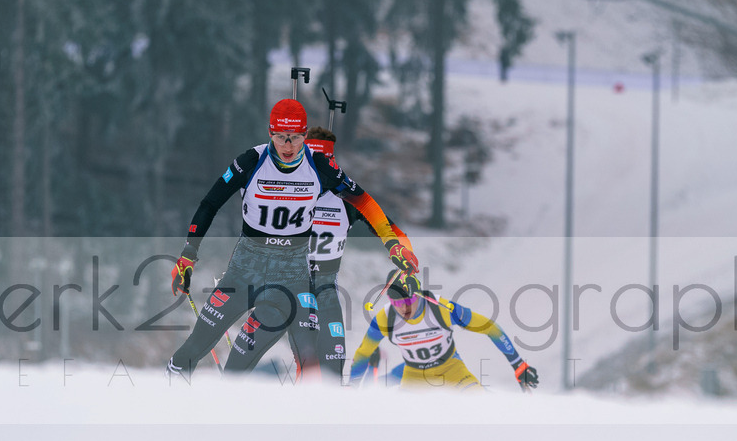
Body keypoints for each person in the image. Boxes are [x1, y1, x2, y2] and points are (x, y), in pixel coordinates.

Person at [166, 99, 419, 381]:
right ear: (270, 133)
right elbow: (209, 203)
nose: (288, 146)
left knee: (314, 365)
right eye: (281, 137)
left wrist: (392, 243)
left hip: (292, 274)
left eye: (296, 137)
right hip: (246, 267)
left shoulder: (319, 166)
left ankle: (307, 418)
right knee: (197, 346)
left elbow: (365, 202)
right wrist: (189, 254)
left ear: (304, 135)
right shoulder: (251, 161)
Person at [222, 125, 412, 379]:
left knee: (330, 373)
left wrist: (404, 251)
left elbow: (391, 229)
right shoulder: (282, 191)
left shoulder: (345, 199)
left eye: (326, 162)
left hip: (323, 294)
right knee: (238, 363)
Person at [349, 271, 540, 391]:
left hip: (452, 371)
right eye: (397, 303)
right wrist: (352, 388)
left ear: (419, 296)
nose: (404, 308)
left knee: (484, 409)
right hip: (414, 376)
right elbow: (363, 352)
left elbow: (489, 327)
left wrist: (518, 365)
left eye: (409, 301)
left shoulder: (441, 308)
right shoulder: (385, 318)